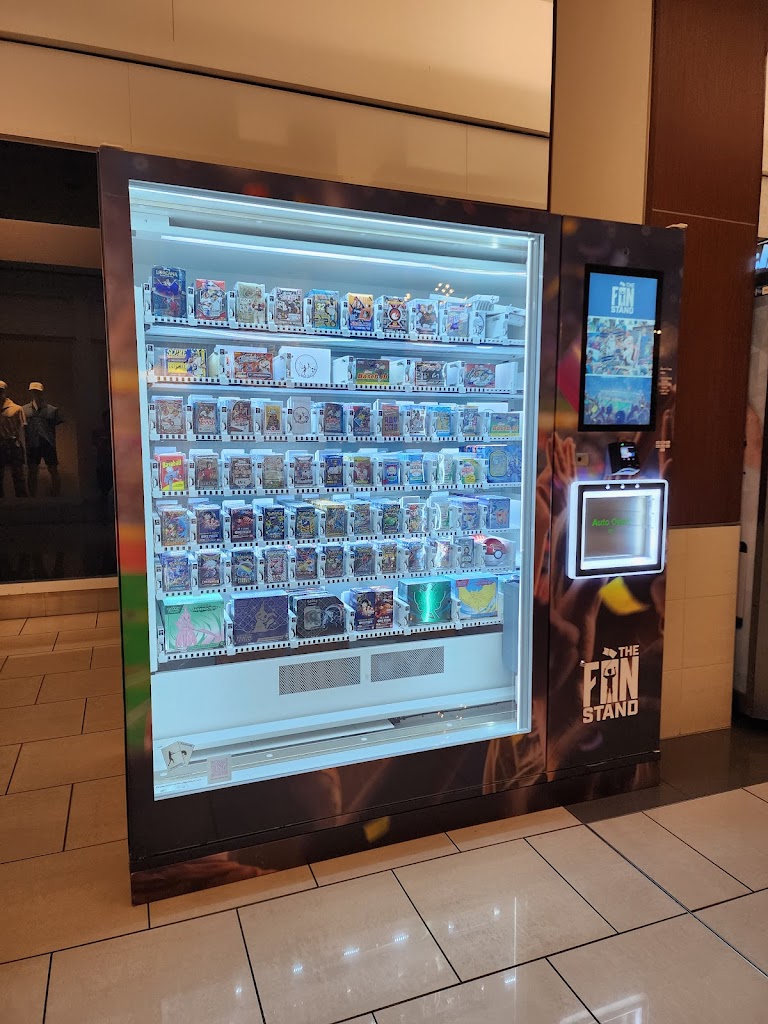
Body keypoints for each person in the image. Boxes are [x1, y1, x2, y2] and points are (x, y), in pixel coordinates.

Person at [23, 382, 63, 497]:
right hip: (32, 444)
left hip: (48, 443)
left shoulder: (52, 410)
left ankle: (56, 496)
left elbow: (56, 422)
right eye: (33, 391)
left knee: (53, 470)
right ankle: (32, 497)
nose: (35, 394)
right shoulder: (24, 410)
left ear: (42, 392)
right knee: (32, 471)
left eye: (37, 391)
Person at [0, 380, 27, 498]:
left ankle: (23, 505)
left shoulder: (16, 409)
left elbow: (22, 429)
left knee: (18, 475)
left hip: (13, 444)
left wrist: (22, 447)